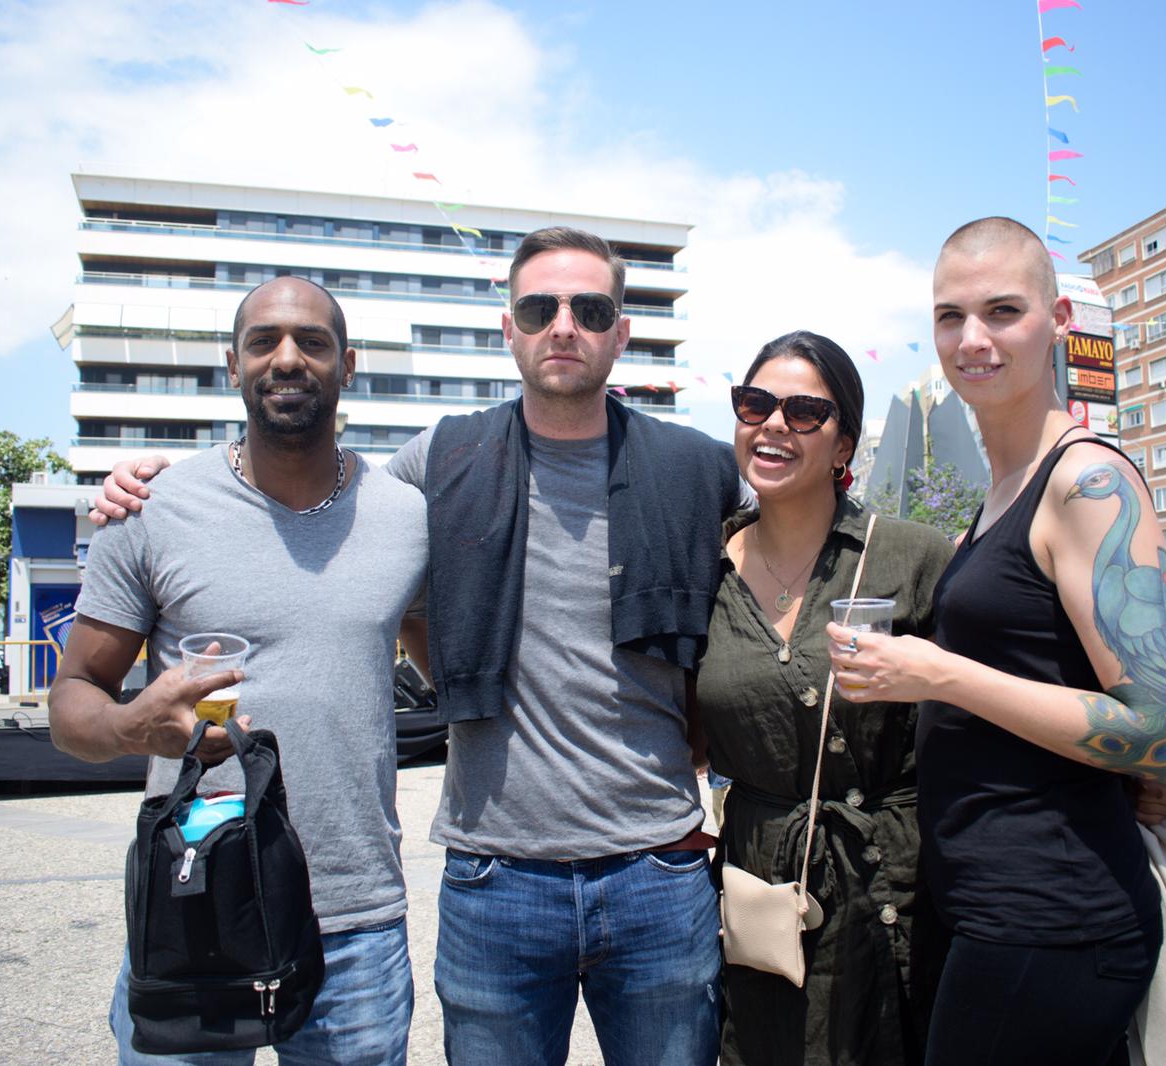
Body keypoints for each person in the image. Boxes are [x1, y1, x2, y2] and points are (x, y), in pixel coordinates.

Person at [96, 228, 746, 1066]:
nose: (564, 327)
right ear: (507, 329)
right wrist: (146, 487)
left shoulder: (696, 470)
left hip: (657, 870)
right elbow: (321, 514)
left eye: (590, 309)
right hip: (496, 878)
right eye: (538, 308)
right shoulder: (436, 462)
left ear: (622, 331)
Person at [828, 217, 1166, 1066]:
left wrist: (940, 674)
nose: (973, 339)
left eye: (1002, 311)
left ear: (1060, 318)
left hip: (1054, 916)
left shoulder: (1088, 482)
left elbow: (1162, 729)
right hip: (995, 906)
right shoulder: (1004, 491)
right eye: (951, 317)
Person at [53, 276, 429, 1064]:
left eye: (312, 342)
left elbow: (457, 670)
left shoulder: (406, 518)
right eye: (264, 341)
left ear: (348, 364)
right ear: (233, 364)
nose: (287, 358)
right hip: (193, 897)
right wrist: (128, 726)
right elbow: (70, 703)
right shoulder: (153, 509)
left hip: (353, 920)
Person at [695, 331, 955, 1065]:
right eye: (755, 404)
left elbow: (976, 713)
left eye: (805, 412)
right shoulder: (703, 565)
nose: (774, 424)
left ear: (845, 443)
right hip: (761, 888)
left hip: (891, 885)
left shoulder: (910, 555)